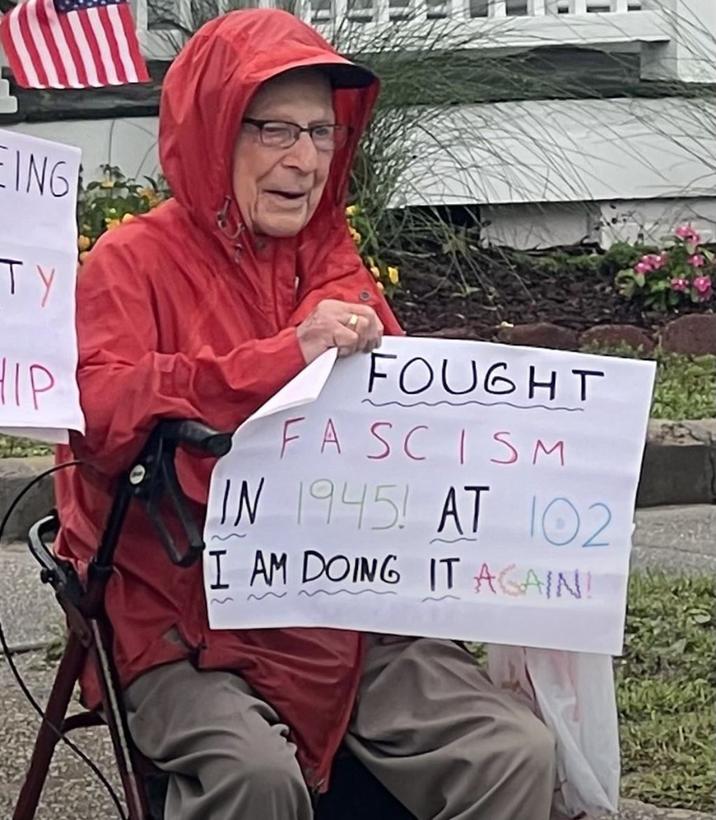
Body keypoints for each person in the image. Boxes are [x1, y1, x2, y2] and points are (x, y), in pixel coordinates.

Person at [55, 8, 558, 819]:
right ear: (215, 130)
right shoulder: (129, 261)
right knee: (253, 778)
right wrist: (279, 356)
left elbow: (405, 418)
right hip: (184, 621)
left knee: (513, 752)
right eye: (275, 131)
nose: (304, 161)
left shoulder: (333, 256)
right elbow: (102, 414)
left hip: (339, 610)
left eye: (322, 134)